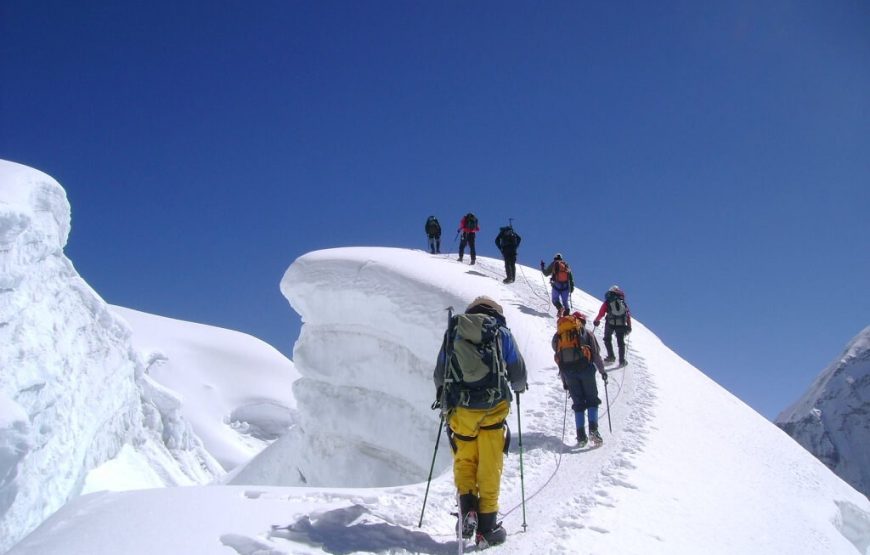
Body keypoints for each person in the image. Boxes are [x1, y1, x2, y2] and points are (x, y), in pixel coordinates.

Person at [434, 296, 527, 547]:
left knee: (465, 458)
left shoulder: (455, 331)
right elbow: (517, 370)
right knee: (490, 463)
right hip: (494, 409)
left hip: (462, 411)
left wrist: (442, 396)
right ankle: (488, 526)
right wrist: (518, 387)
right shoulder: (501, 332)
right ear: (496, 312)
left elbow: (440, 372)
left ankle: (467, 509)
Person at [552, 311, 607, 446]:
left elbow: (559, 358)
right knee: (592, 400)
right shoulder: (587, 333)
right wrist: (602, 371)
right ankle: (593, 430)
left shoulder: (558, 336)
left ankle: (580, 436)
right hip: (586, 370)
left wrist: (564, 381)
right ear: (582, 321)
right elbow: (595, 355)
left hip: (569, 373)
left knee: (578, 404)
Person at [593, 285, 632, 367]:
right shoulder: (622, 302)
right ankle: (622, 361)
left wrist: (596, 321)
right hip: (621, 324)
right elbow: (627, 315)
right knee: (621, 343)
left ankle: (611, 357)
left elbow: (601, 313)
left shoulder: (608, 301)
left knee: (607, 339)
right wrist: (629, 326)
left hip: (610, 323)